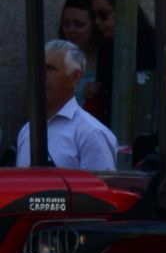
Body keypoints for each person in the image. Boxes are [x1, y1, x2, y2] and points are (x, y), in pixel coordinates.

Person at [14, 42, 119, 172]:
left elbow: (99, 184)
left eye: (50, 69)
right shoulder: (27, 130)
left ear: (75, 77)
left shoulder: (91, 132)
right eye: (38, 68)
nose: (40, 75)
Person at [90, 0, 158, 127]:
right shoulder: (105, 48)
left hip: (140, 131)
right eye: (94, 16)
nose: (97, 22)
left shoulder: (149, 46)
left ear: (123, 10)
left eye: (103, 15)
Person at [58, 0, 100, 106]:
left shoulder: (109, 59)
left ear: (95, 25)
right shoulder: (54, 60)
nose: (71, 30)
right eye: (66, 23)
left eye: (79, 24)